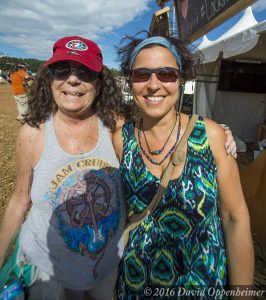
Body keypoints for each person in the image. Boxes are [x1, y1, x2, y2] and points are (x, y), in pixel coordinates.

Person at [113, 34, 254, 298]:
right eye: (142, 74)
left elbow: (235, 218)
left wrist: (242, 294)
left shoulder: (210, 137)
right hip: (137, 284)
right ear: (130, 81)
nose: (153, 85)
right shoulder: (121, 139)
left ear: (181, 80)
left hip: (202, 285)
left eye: (166, 74)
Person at [0, 36, 132, 300]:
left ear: (99, 81)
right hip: (47, 273)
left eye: (84, 71)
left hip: (106, 269)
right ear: (50, 78)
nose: (73, 79)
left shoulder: (117, 128)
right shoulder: (32, 134)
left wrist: (217, 133)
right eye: (62, 69)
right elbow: (19, 199)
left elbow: (163, 139)